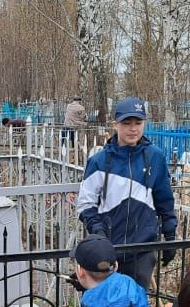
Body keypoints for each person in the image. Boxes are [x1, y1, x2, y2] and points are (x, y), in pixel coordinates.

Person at [76, 96, 177, 289]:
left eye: (138, 123)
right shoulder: (98, 161)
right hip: (107, 248)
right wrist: (98, 232)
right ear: (115, 125)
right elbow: (85, 203)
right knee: (106, 305)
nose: (133, 128)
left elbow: (164, 199)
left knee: (135, 305)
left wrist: (170, 235)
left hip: (143, 248)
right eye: (127, 123)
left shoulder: (155, 157)